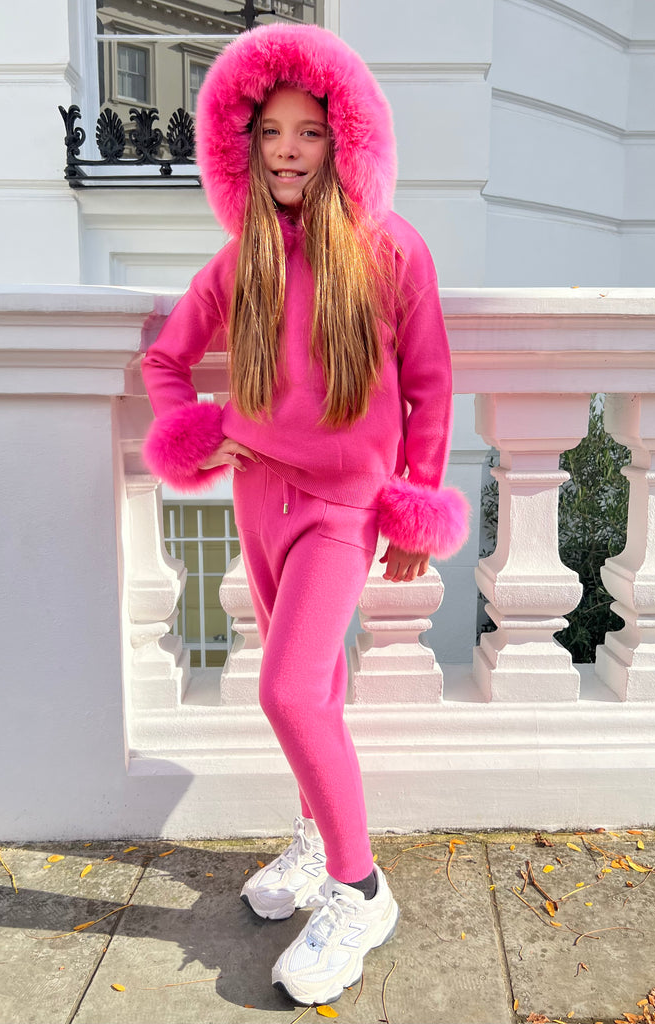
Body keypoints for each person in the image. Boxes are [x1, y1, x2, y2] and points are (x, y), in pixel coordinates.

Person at [141, 22, 470, 1007]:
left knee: (287, 691)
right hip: (259, 496)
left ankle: (360, 892)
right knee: (314, 686)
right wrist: (197, 434)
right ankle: (318, 837)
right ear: (243, 144)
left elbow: (431, 385)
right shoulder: (239, 261)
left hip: (341, 507)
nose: (287, 150)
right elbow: (165, 360)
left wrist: (413, 510)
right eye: (271, 131)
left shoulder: (391, 249)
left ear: (344, 139)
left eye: (310, 132)